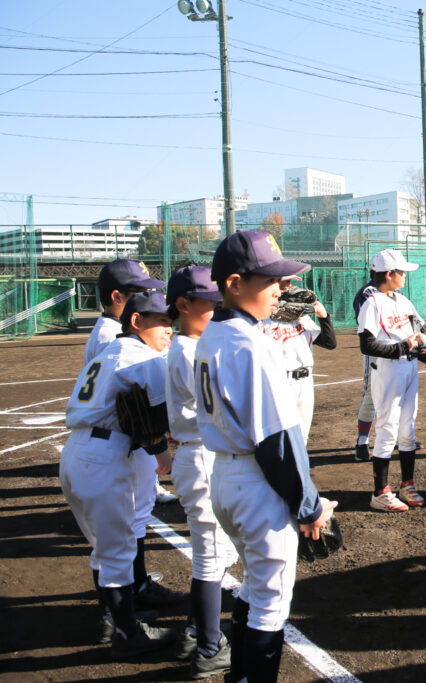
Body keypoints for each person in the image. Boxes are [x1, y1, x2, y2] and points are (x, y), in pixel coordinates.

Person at [197, 230, 336, 682]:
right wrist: (308, 506)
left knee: (256, 587)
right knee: (272, 602)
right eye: (269, 279)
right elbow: (277, 440)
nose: (280, 289)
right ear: (234, 283)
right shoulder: (251, 343)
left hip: (226, 478)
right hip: (256, 483)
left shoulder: (213, 333)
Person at [62, 291, 178, 658]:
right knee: (117, 551)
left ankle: (117, 618)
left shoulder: (110, 352)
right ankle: (128, 632)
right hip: (107, 457)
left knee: (105, 548)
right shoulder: (144, 358)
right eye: (162, 321)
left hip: (78, 452)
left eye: (171, 323)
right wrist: (162, 450)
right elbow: (158, 418)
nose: (169, 329)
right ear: (136, 321)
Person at [84, 258, 183, 613]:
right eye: (141, 292)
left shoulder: (111, 334)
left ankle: (134, 587)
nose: (149, 296)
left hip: (105, 443)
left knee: (122, 532)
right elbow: (135, 404)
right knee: (117, 538)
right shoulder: (119, 340)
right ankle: (121, 617)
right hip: (115, 445)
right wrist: (159, 445)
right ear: (118, 298)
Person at [165, 266, 235, 678]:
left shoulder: (190, 345)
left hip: (201, 455)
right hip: (201, 456)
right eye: (208, 302)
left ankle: (196, 631)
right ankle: (210, 647)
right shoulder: (188, 350)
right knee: (210, 555)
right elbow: (222, 404)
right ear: (183, 304)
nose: (215, 308)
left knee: (219, 553)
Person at [357, 249, 426, 512]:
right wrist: (402, 347)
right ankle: (380, 493)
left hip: (409, 368)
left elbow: (421, 327)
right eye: (401, 272)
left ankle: (407, 485)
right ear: (389, 274)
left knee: (408, 429)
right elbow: (367, 345)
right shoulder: (372, 303)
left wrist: (424, 341)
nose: (405, 276)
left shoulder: (403, 300)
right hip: (388, 370)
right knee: (388, 428)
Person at [258, 277, 337, 444]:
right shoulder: (262, 320)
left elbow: (329, 343)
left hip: (306, 382)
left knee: (302, 437)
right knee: (281, 438)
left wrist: (324, 317)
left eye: (290, 281)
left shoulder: (301, 317)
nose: (289, 286)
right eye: (284, 281)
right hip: (281, 382)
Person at [352, 275, 378, 462]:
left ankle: (401, 437)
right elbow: (364, 324)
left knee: (399, 395)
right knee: (371, 395)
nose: (402, 274)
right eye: (398, 271)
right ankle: (362, 441)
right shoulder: (367, 293)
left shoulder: (398, 293)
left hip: (398, 349)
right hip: (375, 348)